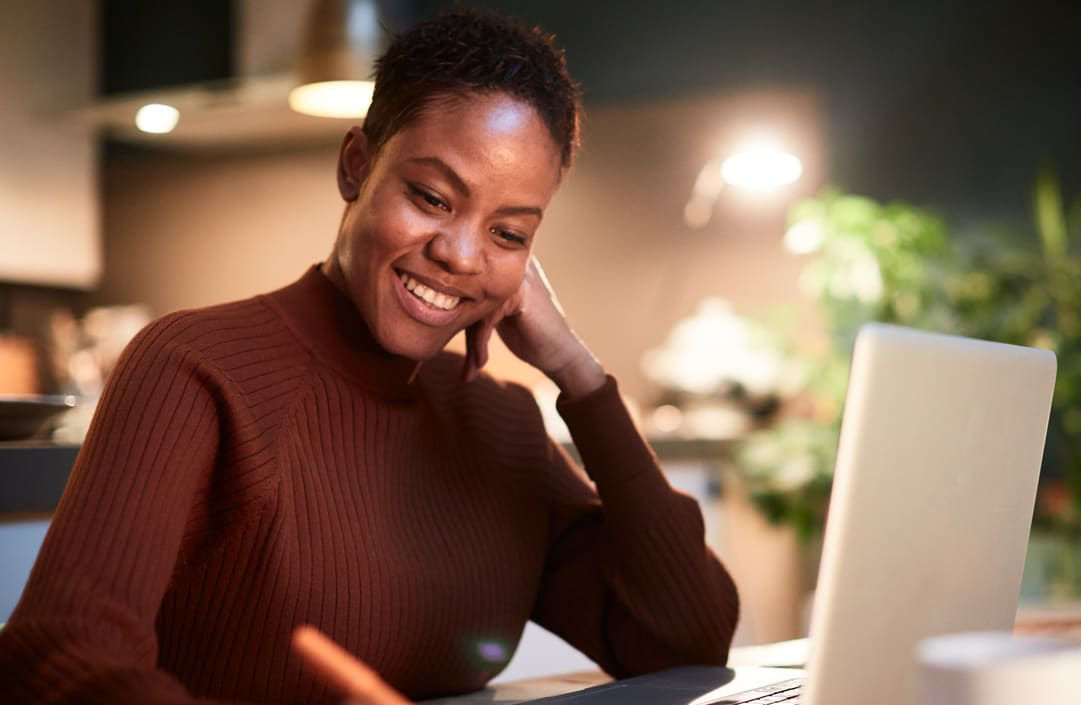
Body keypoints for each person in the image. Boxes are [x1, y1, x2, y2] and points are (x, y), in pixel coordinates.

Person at [0, 10, 738, 705]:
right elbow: (57, 649)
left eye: (509, 234)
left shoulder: (498, 421)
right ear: (356, 166)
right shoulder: (193, 367)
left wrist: (580, 373)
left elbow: (684, 638)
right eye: (431, 197)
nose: (459, 253)